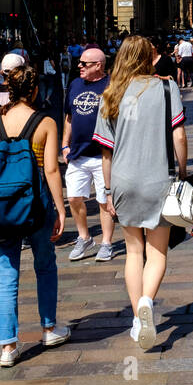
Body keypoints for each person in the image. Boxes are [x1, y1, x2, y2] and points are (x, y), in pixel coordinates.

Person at [93, 37, 188, 350]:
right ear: (150, 57)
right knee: (157, 252)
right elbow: (179, 134)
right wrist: (183, 172)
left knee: (134, 251)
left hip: (122, 180)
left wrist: (106, 191)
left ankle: (138, 318)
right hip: (157, 178)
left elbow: (105, 153)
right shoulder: (165, 88)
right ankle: (147, 301)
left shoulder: (111, 94)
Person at [0, 64, 70, 367]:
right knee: (45, 265)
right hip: (37, 204)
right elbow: (51, 169)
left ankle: (8, 347)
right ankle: (49, 328)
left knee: (6, 276)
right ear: (35, 90)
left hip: (3, 206)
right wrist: (61, 208)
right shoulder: (45, 121)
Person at [61, 45, 116, 263]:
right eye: (80, 62)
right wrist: (65, 144)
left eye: (84, 63)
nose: (79, 66)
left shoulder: (111, 85)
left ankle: (107, 243)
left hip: (103, 155)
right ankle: (84, 238)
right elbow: (69, 116)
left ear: (98, 65)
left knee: (104, 202)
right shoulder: (75, 84)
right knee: (74, 197)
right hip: (78, 153)